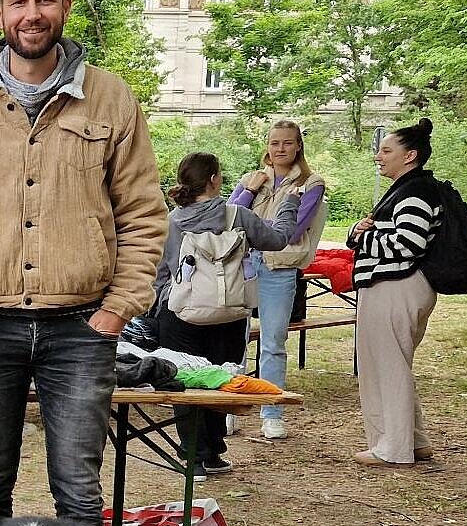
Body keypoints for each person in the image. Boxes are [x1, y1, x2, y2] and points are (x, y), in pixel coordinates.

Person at [0, 0, 166, 526]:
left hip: (82, 328)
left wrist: (120, 307)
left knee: (79, 488)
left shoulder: (111, 100)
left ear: (64, 6)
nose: (32, 13)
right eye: (19, 2)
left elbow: (143, 212)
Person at [155, 152, 302, 475]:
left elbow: (159, 270)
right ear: (214, 180)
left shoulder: (170, 221)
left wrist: (158, 305)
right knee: (222, 377)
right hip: (230, 311)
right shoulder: (238, 216)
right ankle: (215, 453)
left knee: (185, 380)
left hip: (181, 311)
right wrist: (290, 205)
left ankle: (193, 457)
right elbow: (278, 239)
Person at [348, 118, 441, 467]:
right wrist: (363, 231)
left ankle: (393, 448)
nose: (379, 156)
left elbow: (408, 243)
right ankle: (413, 440)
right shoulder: (411, 188)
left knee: (387, 366)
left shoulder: (415, 192)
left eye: (387, 150)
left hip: (397, 285)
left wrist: (361, 237)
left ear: (410, 155)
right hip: (394, 286)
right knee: (392, 363)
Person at [228, 121, 328, 441]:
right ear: (267, 146)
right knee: (234, 340)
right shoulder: (251, 179)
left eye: (287, 143)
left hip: (281, 267)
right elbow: (228, 216)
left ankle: (271, 412)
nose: (280, 149)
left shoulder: (310, 184)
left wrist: (254, 225)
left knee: (272, 342)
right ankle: (229, 407)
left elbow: (294, 230)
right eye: (274, 143)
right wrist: (250, 190)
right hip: (243, 266)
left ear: (298, 145)